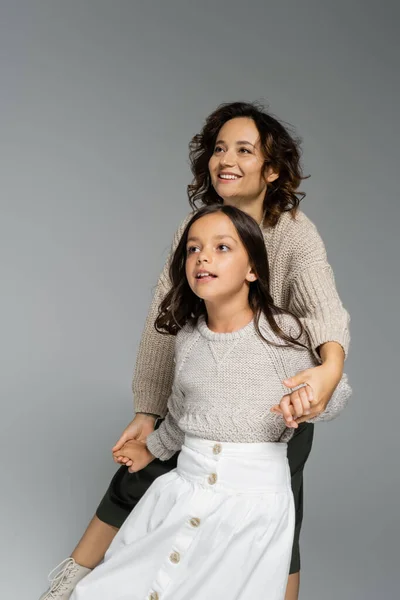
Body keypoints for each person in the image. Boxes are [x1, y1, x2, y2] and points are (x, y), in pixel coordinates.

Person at [39, 102, 350, 600]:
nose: (225, 158)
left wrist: (328, 372)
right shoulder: (198, 229)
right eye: (219, 148)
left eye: (244, 150)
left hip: (280, 397)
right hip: (205, 377)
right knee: (141, 477)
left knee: (280, 514)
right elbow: (164, 322)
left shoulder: (292, 231)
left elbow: (323, 311)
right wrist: (148, 408)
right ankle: (72, 581)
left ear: (271, 170)